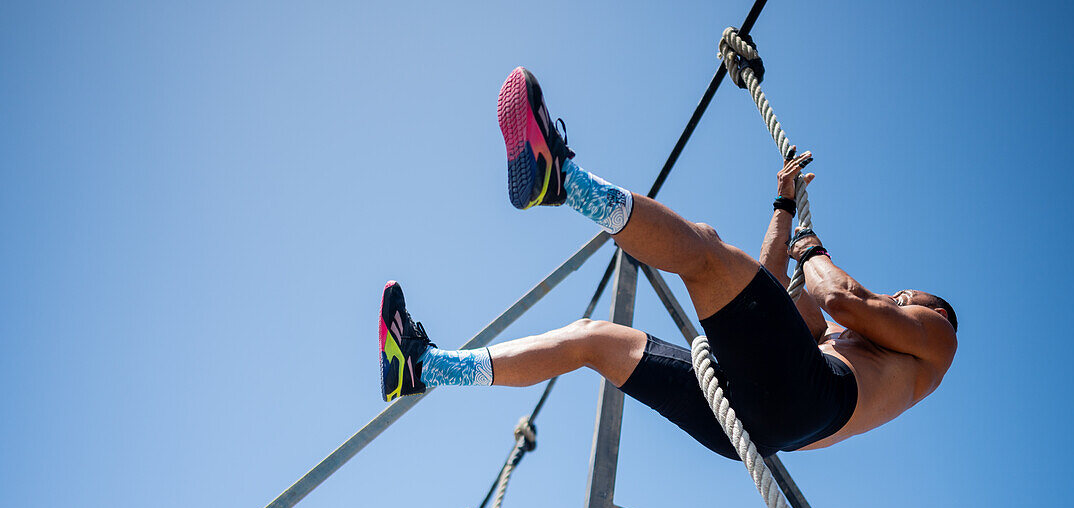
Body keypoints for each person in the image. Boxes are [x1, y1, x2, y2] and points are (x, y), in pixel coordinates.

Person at [378, 67, 957, 460]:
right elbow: (768, 292)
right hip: (760, 416)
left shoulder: (936, 343)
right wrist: (784, 208)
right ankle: (426, 369)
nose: (900, 298)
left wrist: (813, 249)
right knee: (593, 340)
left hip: (805, 402)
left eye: (910, 298)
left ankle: (565, 182)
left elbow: (840, 298)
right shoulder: (840, 343)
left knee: (702, 248)